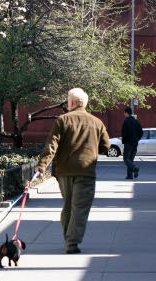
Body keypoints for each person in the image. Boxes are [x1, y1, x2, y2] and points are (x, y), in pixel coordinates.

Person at [36, 88, 110, 254]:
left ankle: (68, 237)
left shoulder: (62, 120)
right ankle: (72, 242)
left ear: (73, 103)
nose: (67, 103)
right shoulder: (97, 122)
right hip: (86, 170)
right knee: (80, 207)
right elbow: (106, 146)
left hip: (64, 171)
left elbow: (52, 144)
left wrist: (42, 165)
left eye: (68, 100)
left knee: (68, 206)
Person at [122, 107, 143, 179]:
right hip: (135, 143)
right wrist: (137, 139)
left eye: (124, 113)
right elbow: (141, 132)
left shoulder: (126, 121)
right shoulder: (136, 121)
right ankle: (129, 175)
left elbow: (124, 133)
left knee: (125, 158)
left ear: (126, 113)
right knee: (130, 159)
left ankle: (135, 168)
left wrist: (124, 140)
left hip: (128, 143)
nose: (124, 114)